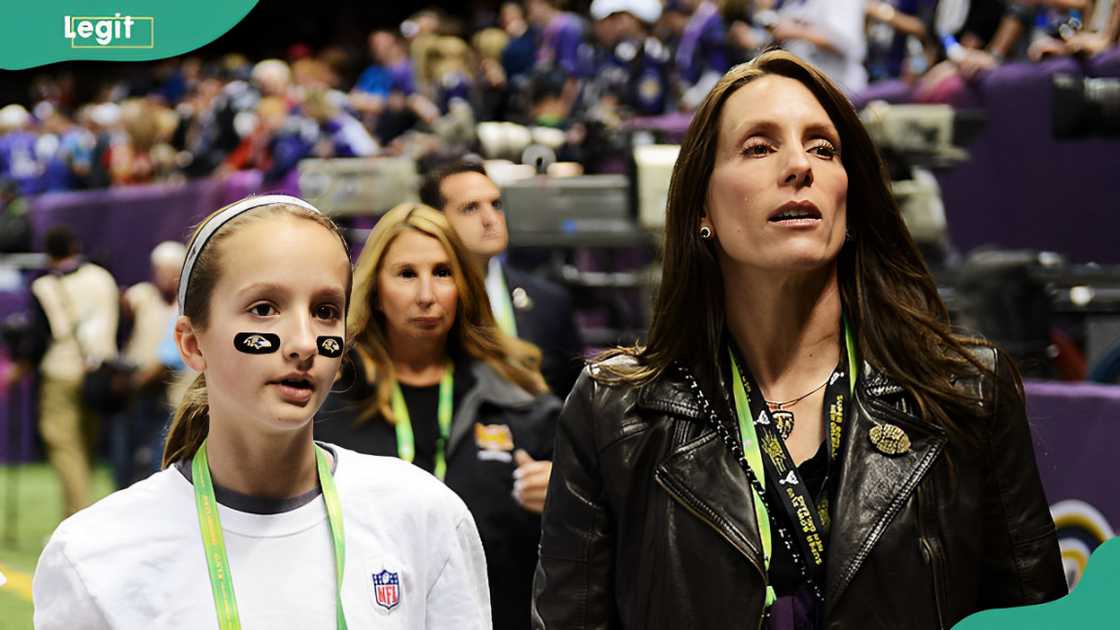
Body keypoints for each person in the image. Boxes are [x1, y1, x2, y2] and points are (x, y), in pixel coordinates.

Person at [531, 50, 1066, 629]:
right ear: (701, 208)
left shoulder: (967, 391)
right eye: (759, 147)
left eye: (823, 148)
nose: (798, 166)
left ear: (850, 200)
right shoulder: (614, 410)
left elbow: (1032, 617)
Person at [33, 195, 491, 629]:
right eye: (264, 308)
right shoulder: (94, 556)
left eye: (326, 310)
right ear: (192, 344)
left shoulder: (423, 515)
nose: (302, 342)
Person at [316, 203, 560, 630]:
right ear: (374, 288)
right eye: (406, 274)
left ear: (463, 286)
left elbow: (582, 550)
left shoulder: (519, 401)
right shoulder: (327, 400)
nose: (426, 295)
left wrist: (565, 499)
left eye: (443, 273)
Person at [419, 160, 584, 399]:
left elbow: (573, 402)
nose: (490, 218)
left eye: (496, 204)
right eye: (471, 208)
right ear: (436, 219)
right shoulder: (423, 304)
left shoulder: (550, 301)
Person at [6, 226, 119, 518]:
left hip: (62, 371)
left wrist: (20, 369)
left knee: (64, 446)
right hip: (100, 373)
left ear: (48, 254)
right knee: (87, 447)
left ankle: (78, 519)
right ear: (75, 246)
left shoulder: (45, 286)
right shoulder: (102, 277)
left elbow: (38, 338)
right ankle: (88, 514)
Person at [111, 240, 186, 488]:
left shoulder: (187, 305)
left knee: (160, 458)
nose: (163, 276)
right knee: (124, 455)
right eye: (159, 270)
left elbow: (169, 357)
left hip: (169, 392)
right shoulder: (141, 295)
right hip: (135, 389)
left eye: (170, 270)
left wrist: (137, 382)